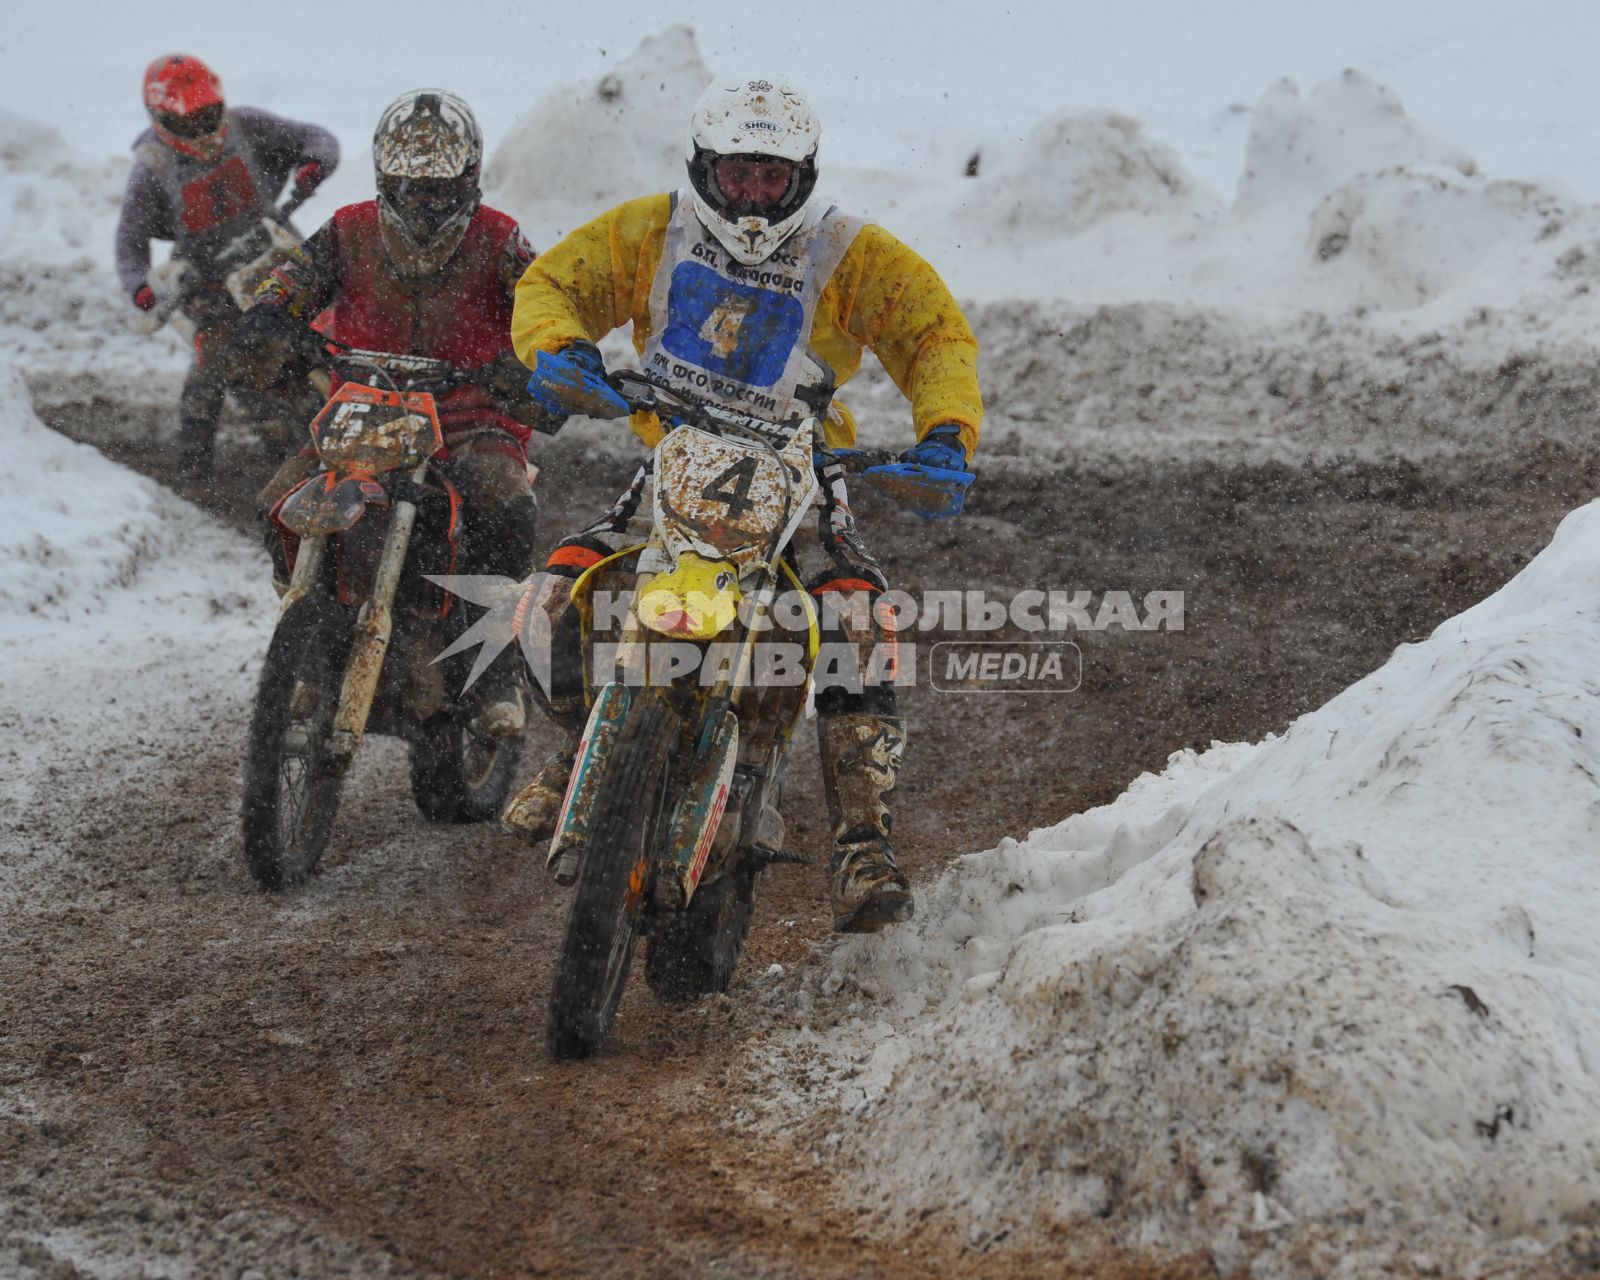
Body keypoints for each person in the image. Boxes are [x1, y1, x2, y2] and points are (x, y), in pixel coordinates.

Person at [501, 74, 982, 933]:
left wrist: (946, 432)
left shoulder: (847, 249)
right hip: (677, 459)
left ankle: (862, 845)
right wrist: (561, 349)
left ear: (802, 174)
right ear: (703, 169)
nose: (755, 195)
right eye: (738, 176)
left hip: (800, 470)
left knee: (855, 619)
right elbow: (550, 284)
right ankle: (574, 747)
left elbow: (932, 331)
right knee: (564, 588)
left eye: (771, 176)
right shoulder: (651, 230)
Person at [228, 88, 547, 737]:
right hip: (363, 405)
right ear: (384, 181)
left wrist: (536, 361)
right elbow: (286, 281)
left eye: (437, 190)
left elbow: (547, 307)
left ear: (468, 179)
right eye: (410, 189)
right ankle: (311, 641)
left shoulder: (501, 239)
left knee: (505, 503)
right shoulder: (347, 229)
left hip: (467, 415)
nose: (424, 204)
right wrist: (270, 320)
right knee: (276, 498)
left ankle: (495, 669)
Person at [114, 53, 339, 490]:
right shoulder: (153, 166)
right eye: (188, 122)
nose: (202, 129)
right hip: (211, 284)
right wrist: (139, 286)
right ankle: (194, 474)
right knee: (218, 364)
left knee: (331, 327)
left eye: (208, 115)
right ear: (160, 118)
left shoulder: (248, 125)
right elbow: (130, 238)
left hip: (275, 251)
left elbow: (319, 137)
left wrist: (313, 164)